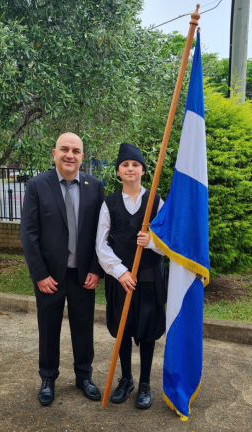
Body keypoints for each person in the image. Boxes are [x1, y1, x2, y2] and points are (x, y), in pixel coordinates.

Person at [20, 132, 105, 406]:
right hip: (49, 277)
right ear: (54, 153)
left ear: (82, 157)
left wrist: (96, 269)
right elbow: (29, 234)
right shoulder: (37, 185)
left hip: (83, 276)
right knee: (48, 329)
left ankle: (84, 376)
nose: (70, 155)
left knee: (84, 328)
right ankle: (47, 378)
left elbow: (101, 233)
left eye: (76, 150)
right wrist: (39, 274)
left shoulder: (95, 186)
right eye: (64, 149)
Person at [95, 142, 166, 409]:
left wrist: (152, 242)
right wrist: (121, 272)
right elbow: (101, 245)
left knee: (147, 332)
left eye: (135, 164)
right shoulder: (109, 203)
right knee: (123, 330)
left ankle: (145, 383)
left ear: (144, 171)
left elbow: (171, 242)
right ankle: (126, 380)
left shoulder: (156, 201)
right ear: (118, 171)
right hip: (121, 280)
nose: (130, 169)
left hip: (149, 278)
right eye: (125, 165)